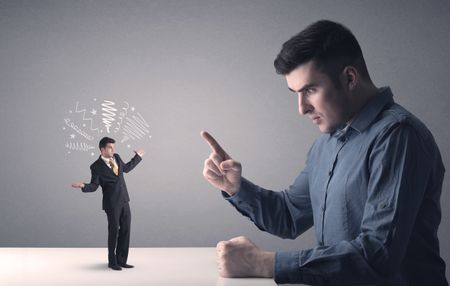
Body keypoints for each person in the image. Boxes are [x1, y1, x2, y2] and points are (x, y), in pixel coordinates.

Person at [201, 20, 448, 285]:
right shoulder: (326, 144)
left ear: (350, 78)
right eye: (295, 93)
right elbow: (289, 216)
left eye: (309, 90)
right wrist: (237, 188)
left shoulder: (399, 136)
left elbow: (378, 254)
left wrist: (265, 263)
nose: (301, 108)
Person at [72, 137, 144, 271]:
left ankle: (122, 260)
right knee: (113, 232)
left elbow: (126, 168)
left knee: (126, 230)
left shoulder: (116, 157)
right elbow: (94, 186)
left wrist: (138, 156)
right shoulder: (96, 166)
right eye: (110, 147)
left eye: (113, 147)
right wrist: (83, 185)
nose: (113, 150)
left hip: (124, 200)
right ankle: (112, 262)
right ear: (102, 149)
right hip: (112, 204)